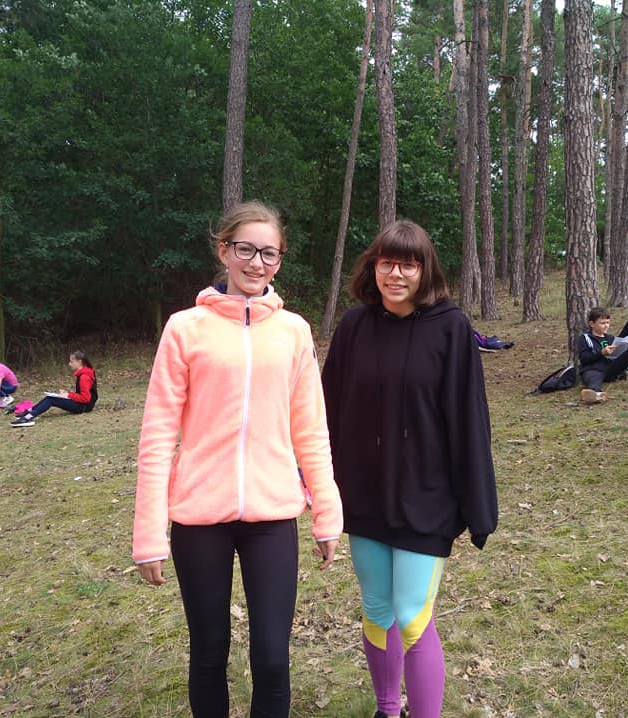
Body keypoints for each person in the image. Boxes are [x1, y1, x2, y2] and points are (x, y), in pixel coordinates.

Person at [132, 201, 343, 717]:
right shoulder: (184, 328)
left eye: (270, 253)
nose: (257, 263)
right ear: (224, 250)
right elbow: (157, 435)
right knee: (209, 653)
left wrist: (327, 512)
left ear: (280, 259)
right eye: (246, 249)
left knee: (272, 658)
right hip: (199, 517)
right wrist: (148, 534)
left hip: (272, 517)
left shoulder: (294, 331)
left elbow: (311, 430)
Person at [321, 220, 498, 718]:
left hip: (426, 498)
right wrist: (317, 482)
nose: (395, 274)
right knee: (377, 610)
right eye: (387, 263)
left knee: (412, 617)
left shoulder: (451, 328)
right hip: (365, 494)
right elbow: (326, 408)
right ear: (372, 267)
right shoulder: (354, 326)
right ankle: (386, 708)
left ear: (425, 271)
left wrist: (477, 504)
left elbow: (468, 418)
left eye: (408, 265)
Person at [10, 351, 98, 427]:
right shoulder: (84, 373)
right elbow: (83, 393)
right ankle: (28, 413)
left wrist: (68, 395)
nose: (69, 364)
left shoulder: (84, 377)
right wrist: (67, 394)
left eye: (72, 362)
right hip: (83, 405)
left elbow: (85, 398)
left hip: (83, 407)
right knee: (50, 397)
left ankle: (27, 418)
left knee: (51, 400)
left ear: (79, 362)